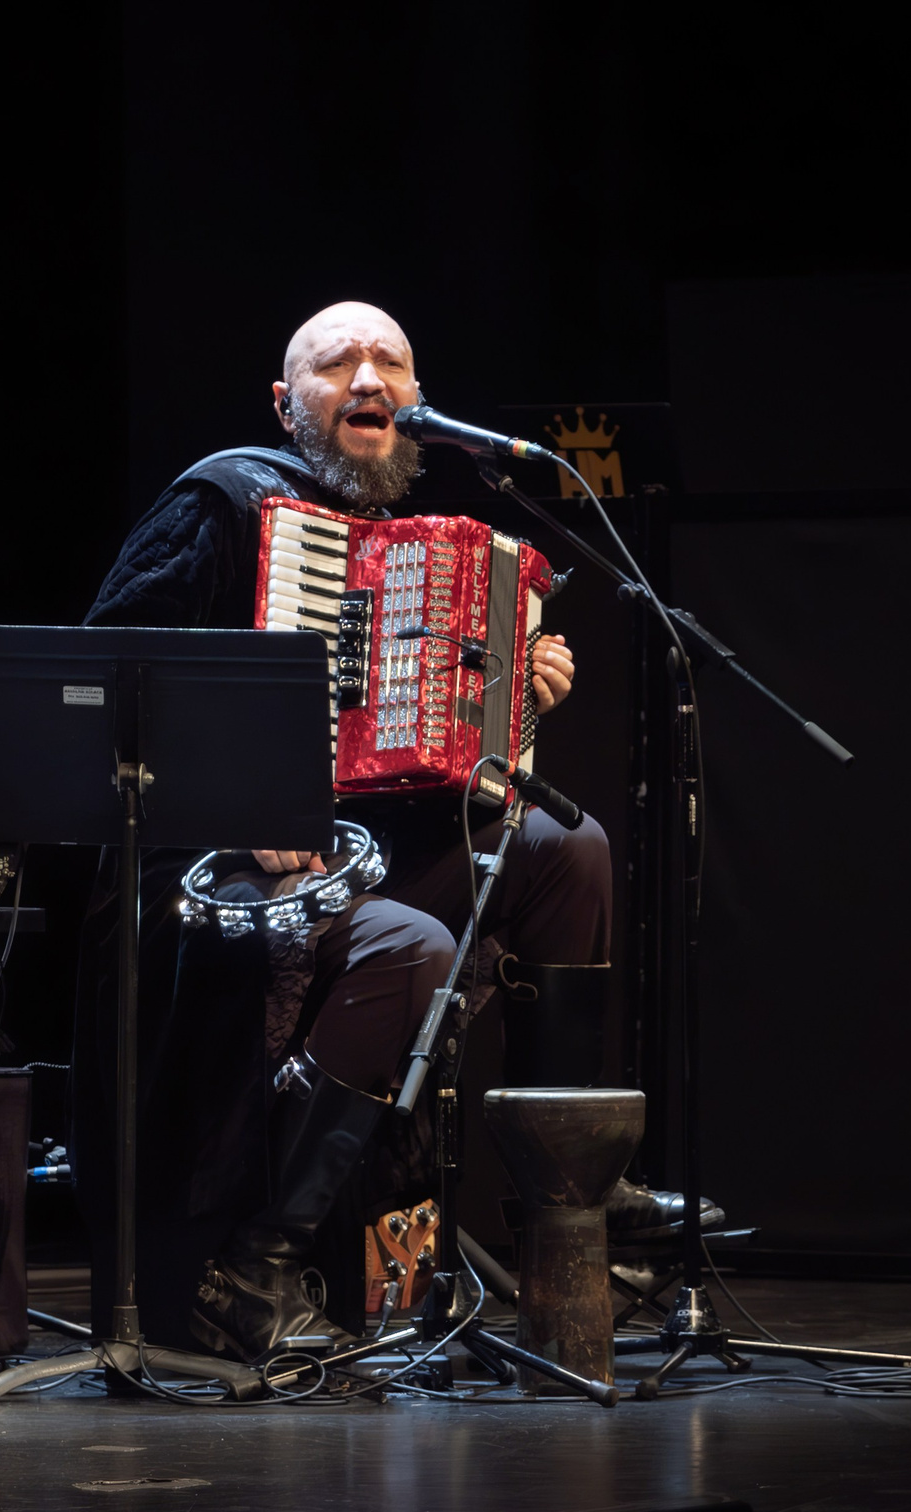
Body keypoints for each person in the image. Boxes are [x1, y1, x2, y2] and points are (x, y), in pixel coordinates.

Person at [80, 300, 713, 1363]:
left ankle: (566, 1192)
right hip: (215, 872)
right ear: (287, 404)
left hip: (368, 857)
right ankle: (253, 1264)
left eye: (392, 363)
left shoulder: (426, 540)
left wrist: (518, 694)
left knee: (573, 852)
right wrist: (233, 796)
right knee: (409, 948)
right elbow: (106, 677)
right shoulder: (223, 504)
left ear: (417, 401)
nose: (369, 377)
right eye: (338, 365)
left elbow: (423, 748)